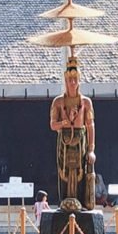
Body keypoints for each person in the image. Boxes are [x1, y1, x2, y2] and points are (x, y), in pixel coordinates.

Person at [49, 54, 96, 209]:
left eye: (75, 79)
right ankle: (64, 201)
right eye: (70, 79)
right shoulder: (58, 102)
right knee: (64, 171)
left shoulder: (86, 102)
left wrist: (91, 150)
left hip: (80, 139)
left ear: (79, 81)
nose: (72, 82)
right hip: (64, 140)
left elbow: (90, 126)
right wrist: (64, 122)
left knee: (80, 171)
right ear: (65, 80)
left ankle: (81, 202)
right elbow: (52, 126)